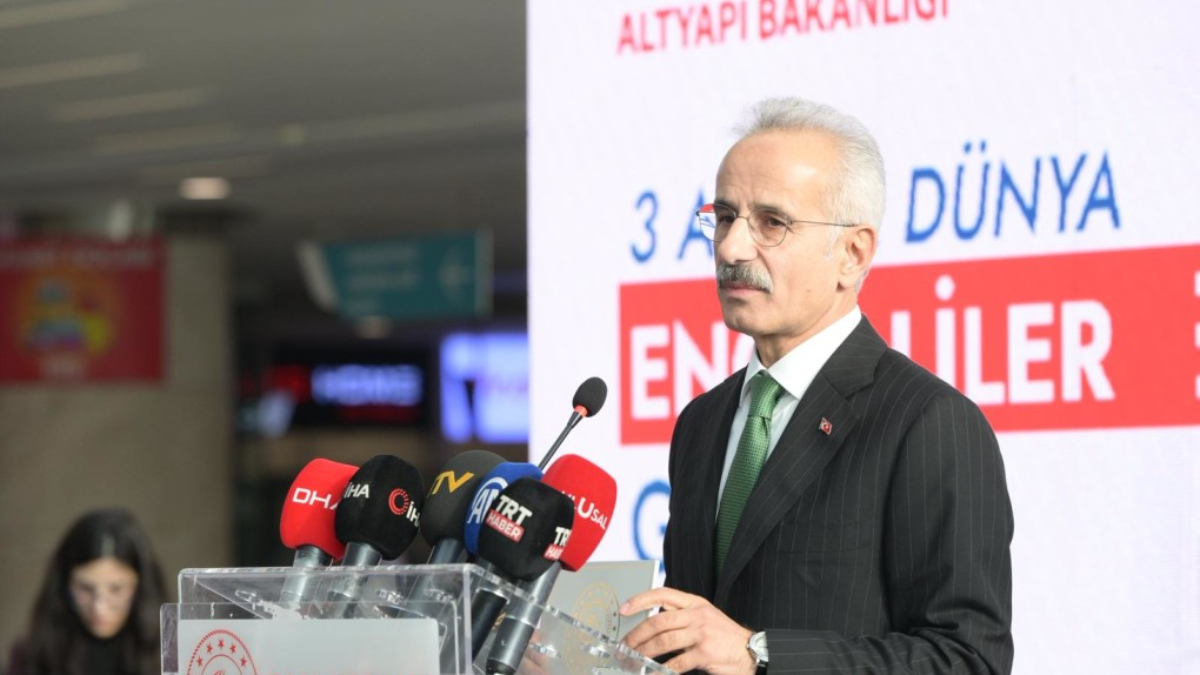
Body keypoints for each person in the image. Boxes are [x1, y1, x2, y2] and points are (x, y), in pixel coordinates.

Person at [619, 98, 1014, 675]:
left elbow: (967, 659)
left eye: (771, 223)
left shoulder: (928, 422)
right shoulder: (702, 421)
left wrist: (759, 653)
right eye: (725, 217)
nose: (730, 248)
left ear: (853, 254)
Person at [7, 508, 167, 675]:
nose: (99, 608)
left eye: (116, 590)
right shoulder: (32, 655)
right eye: (85, 589)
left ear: (140, 587)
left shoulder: (171, 654)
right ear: (64, 584)